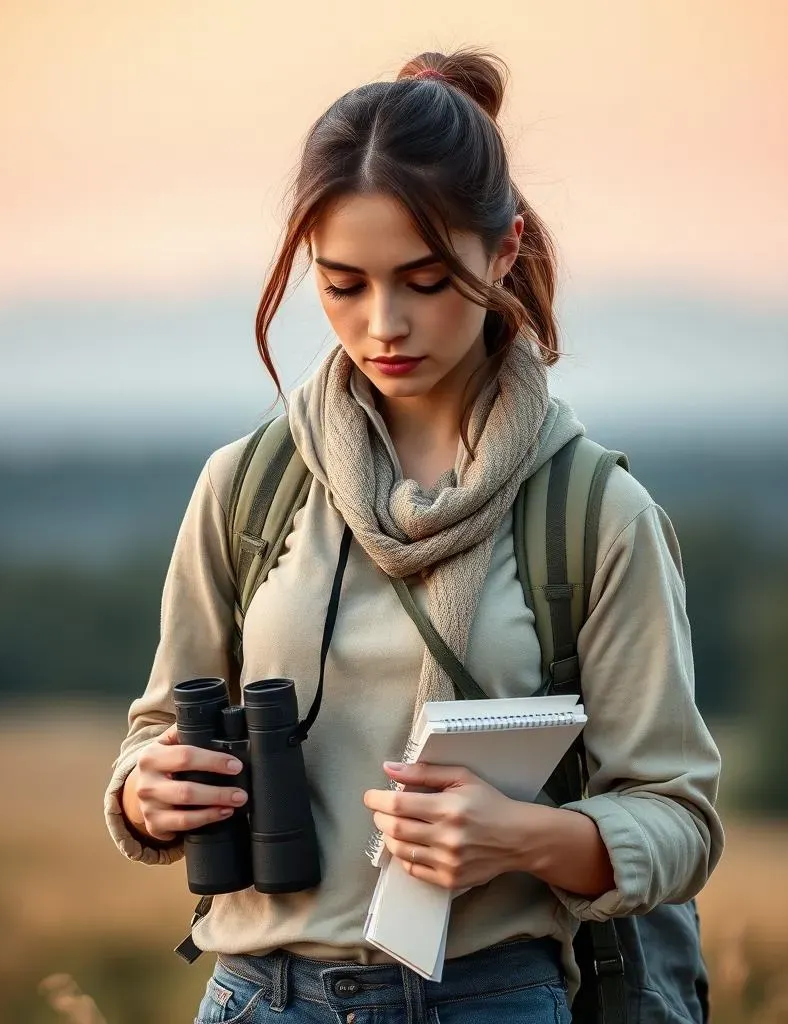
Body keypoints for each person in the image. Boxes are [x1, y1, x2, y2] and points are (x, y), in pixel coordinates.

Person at [104, 48, 724, 1024]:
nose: (382, 323)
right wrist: (148, 793)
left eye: (426, 280)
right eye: (341, 283)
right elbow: (151, 736)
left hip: (490, 994)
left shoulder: (594, 513)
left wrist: (519, 836)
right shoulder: (248, 487)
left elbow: (678, 820)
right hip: (255, 994)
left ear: (503, 250)